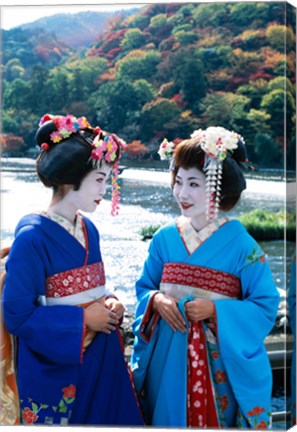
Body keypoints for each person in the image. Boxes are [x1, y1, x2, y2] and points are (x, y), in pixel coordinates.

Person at [131, 126, 280, 429]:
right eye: (179, 182)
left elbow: (265, 305)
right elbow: (145, 286)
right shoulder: (164, 238)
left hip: (219, 363)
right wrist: (156, 299)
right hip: (167, 354)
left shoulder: (243, 246)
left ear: (216, 186)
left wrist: (215, 310)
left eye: (194, 184)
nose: (182, 193)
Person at [2, 113, 144, 426]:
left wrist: (109, 301)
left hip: (101, 356)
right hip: (57, 365)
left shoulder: (89, 229)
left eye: (106, 180)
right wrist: (82, 319)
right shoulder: (31, 237)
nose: (104, 189)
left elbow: (91, 287)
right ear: (69, 179)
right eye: (99, 180)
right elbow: (17, 314)